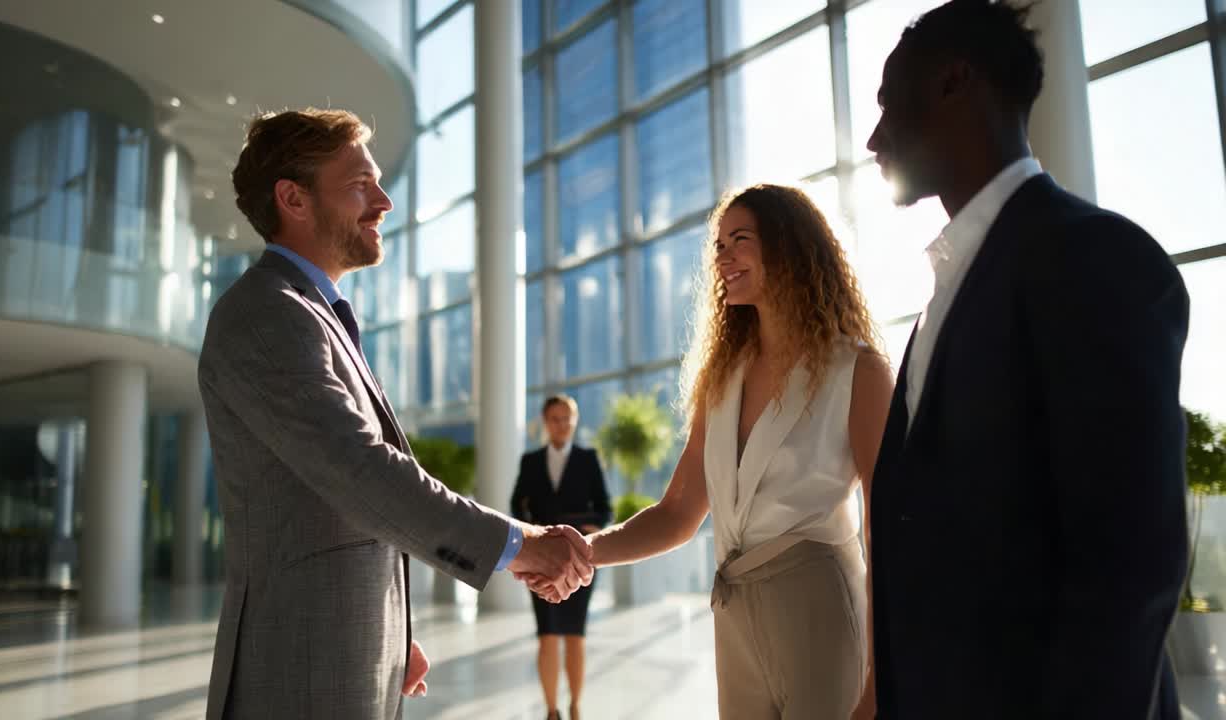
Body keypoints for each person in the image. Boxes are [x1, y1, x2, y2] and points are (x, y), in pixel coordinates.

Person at [198, 108, 593, 720]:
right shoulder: (266, 314)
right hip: (298, 677)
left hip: (338, 660)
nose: (383, 202)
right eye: (360, 183)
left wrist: (387, 633)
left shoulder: (311, 314)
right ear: (293, 199)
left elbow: (330, 508)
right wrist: (520, 543)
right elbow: (361, 472)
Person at [863, 2, 1189, 718]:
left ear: (954, 81)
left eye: (888, 104)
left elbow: (1128, 570)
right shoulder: (944, 294)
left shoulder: (1094, 258)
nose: (871, 137)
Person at [523, 184, 894, 718]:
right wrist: (584, 553)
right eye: (718, 244)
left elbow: (887, 529)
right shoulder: (723, 380)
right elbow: (677, 513)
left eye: (739, 239)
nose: (722, 256)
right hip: (734, 617)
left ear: (788, 247)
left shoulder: (856, 371)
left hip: (822, 613)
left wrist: (878, 684)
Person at [510, 394, 613, 720]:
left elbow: (605, 508)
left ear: (575, 420)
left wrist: (588, 526)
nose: (562, 424)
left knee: (574, 632)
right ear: (545, 421)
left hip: (579, 558)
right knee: (547, 633)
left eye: (567, 418)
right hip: (540, 558)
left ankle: (576, 707)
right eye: (555, 418)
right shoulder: (530, 461)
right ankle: (552, 710)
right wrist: (532, 536)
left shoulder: (588, 459)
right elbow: (516, 506)